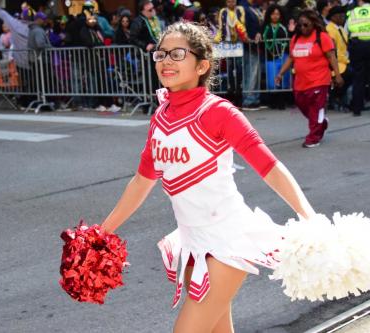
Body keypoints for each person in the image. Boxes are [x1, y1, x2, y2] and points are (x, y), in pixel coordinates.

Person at [101, 21, 316, 332]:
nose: (166, 61)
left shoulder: (218, 112)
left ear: (202, 65)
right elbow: (141, 181)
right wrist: (101, 233)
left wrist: (308, 216)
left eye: (177, 54)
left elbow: (269, 167)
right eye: (160, 55)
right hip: (192, 243)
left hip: (228, 239)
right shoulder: (160, 117)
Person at [276, 10, 344, 148]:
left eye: (306, 25)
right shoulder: (295, 39)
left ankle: (313, 138)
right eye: (300, 25)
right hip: (300, 83)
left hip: (319, 81)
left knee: (316, 109)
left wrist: (337, 75)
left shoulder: (322, 37)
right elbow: (291, 58)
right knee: (303, 106)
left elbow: (332, 57)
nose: (303, 28)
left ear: (313, 23)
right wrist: (280, 73)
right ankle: (321, 122)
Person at [262, 4, 291, 109]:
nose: (275, 16)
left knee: (283, 79)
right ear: (269, 15)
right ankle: (273, 101)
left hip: (283, 56)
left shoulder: (284, 27)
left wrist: (291, 30)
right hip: (270, 57)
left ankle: (282, 101)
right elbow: (261, 37)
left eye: (277, 14)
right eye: (273, 14)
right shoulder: (265, 27)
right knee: (272, 80)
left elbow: (289, 38)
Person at [326, 5, 352, 111]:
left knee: (353, 75)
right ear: (334, 17)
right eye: (341, 16)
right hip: (336, 63)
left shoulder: (341, 28)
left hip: (344, 61)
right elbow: (332, 51)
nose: (343, 18)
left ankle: (338, 99)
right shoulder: (329, 30)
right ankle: (337, 98)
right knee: (350, 75)